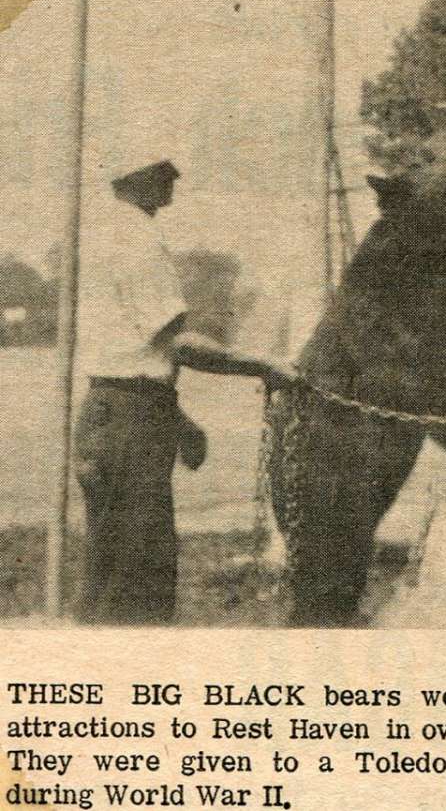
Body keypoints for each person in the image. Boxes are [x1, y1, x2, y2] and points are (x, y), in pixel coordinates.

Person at [75, 159, 298, 625]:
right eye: (163, 171)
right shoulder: (138, 239)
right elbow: (175, 343)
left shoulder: (106, 232)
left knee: (111, 566)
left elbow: (132, 353)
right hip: (130, 417)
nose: (173, 180)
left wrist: (177, 419)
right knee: (139, 573)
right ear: (136, 178)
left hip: (115, 408)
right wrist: (263, 365)